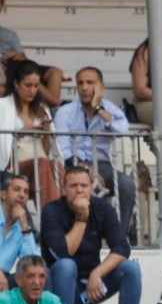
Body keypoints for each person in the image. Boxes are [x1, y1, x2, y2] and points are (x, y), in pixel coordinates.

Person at [40, 166, 143, 304]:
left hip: (91, 288)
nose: (79, 190)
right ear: (64, 189)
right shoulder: (51, 211)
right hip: (59, 289)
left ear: (91, 188)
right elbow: (63, 252)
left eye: (84, 186)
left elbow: (122, 247)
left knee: (131, 269)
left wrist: (98, 273)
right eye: (73, 186)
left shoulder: (102, 208)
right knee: (66, 266)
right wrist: (82, 217)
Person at [52, 68, 137, 233]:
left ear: (101, 86)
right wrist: (83, 169)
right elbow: (63, 146)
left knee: (127, 185)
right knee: (70, 184)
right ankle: (70, 233)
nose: (84, 87)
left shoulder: (109, 108)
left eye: (90, 82)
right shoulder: (65, 111)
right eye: (80, 83)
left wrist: (98, 109)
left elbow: (122, 129)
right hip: (73, 164)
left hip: (103, 166)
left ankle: (119, 235)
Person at [0, 59, 61, 208]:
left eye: (36, 86)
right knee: (43, 164)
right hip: (12, 165)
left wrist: (44, 134)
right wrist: (22, 132)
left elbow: (45, 150)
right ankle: (52, 219)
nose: (32, 90)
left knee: (58, 167)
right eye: (28, 85)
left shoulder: (41, 108)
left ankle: (64, 219)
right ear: (17, 84)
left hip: (39, 162)